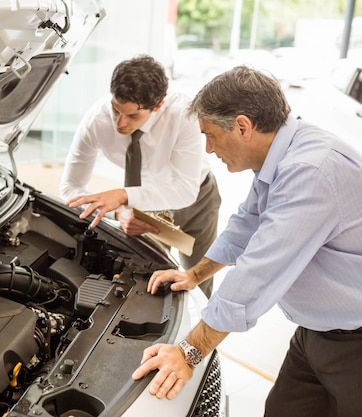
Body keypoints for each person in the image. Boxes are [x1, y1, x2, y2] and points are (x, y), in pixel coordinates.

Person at [132, 66, 362, 417]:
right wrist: (195, 275)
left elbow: (257, 273)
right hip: (314, 333)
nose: (208, 149)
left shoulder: (310, 172)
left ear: (242, 126)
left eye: (210, 135)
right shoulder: (281, 155)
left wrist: (189, 353)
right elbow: (247, 223)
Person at [59, 55, 221, 297]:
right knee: (144, 278)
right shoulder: (96, 121)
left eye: (133, 116)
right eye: (116, 110)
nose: (120, 123)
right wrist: (120, 210)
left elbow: (185, 191)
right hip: (145, 200)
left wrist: (123, 195)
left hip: (197, 200)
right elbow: (70, 187)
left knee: (195, 281)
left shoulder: (183, 115)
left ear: (158, 106)